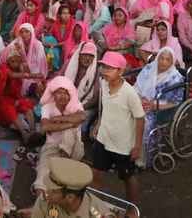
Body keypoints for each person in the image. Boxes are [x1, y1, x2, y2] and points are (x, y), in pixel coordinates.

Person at [91, 51, 143, 217]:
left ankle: (132, 208)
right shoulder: (104, 84)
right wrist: (99, 123)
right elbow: (106, 107)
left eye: (110, 68)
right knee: (96, 172)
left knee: (128, 177)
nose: (105, 71)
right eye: (104, 66)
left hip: (123, 145)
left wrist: (137, 146)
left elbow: (140, 119)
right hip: (103, 138)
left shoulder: (129, 93)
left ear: (120, 71)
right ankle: (93, 202)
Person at [134, 47, 184, 169]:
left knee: (144, 123)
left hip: (160, 110)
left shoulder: (175, 78)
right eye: (161, 58)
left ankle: (142, 160)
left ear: (172, 62)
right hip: (140, 101)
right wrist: (140, 100)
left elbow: (175, 102)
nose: (163, 62)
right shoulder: (150, 68)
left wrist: (154, 106)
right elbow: (137, 87)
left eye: (167, 59)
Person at [33, 77, 86, 195]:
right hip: (52, 147)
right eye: (59, 93)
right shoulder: (48, 107)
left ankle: (62, 162)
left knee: (69, 133)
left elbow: (82, 117)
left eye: (66, 93)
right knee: (42, 176)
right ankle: (39, 205)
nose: (63, 96)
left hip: (74, 149)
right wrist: (71, 123)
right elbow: (45, 127)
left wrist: (58, 119)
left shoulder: (75, 105)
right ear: (53, 94)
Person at [30, 157, 106, 218]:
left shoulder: (97, 213)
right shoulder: (45, 200)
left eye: (54, 191)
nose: (47, 192)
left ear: (70, 197)